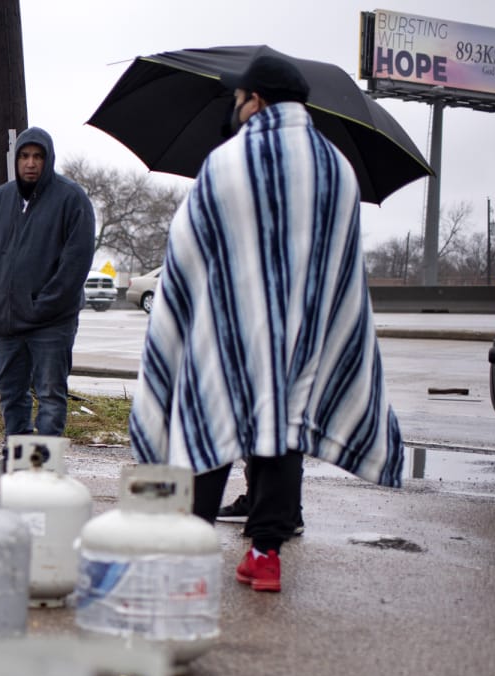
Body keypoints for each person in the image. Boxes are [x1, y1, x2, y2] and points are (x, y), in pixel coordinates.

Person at [129, 53, 403, 593]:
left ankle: (189, 554)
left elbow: (186, 250)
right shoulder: (337, 169)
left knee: (209, 419)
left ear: (257, 101)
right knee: (281, 426)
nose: (236, 108)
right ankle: (265, 554)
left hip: (229, 329)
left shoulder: (229, 162)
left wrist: (181, 318)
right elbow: (342, 267)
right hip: (303, 336)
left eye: (239, 99)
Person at [0, 127, 95, 438]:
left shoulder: (71, 198)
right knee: (11, 394)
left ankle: (44, 468)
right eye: (25, 156)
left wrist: (42, 305)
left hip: (51, 323)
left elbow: (75, 264)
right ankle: (17, 462)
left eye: (38, 156)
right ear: (17, 160)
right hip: (7, 322)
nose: (30, 163)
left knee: (51, 394)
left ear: (48, 159)